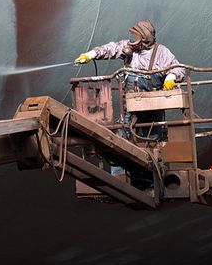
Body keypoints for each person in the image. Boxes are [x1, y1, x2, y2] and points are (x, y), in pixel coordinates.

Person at [73, 20, 185, 189]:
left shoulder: (162, 52)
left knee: (151, 139)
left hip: (153, 104)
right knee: (123, 138)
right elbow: (112, 48)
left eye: (137, 36)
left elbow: (179, 68)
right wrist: (92, 54)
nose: (134, 39)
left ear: (144, 37)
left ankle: (150, 181)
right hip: (130, 104)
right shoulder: (129, 49)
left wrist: (172, 77)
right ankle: (119, 178)